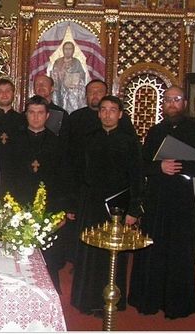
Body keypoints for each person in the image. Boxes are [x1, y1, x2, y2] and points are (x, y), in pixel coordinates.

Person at [128, 86, 195, 319]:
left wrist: (180, 166)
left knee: (179, 250)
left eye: (176, 99)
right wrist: (160, 166)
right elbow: (142, 165)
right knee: (152, 249)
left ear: (184, 103)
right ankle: (148, 300)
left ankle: (176, 304)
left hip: (181, 200)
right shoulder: (156, 131)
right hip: (156, 199)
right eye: (168, 99)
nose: (171, 103)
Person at [70, 95, 144, 316]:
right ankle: (86, 299)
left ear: (120, 114)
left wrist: (134, 209)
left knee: (111, 256)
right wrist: (74, 204)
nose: (107, 114)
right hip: (90, 204)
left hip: (116, 207)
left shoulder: (129, 141)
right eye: (103, 109)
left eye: (112, 110)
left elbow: (137, 177)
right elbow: (77, 173)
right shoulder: (88, 138)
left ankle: (110, 301)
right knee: (88, 252)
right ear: (99, 113)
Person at [9, 95, 74, 293]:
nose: (36, 117)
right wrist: (7, 206)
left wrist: (62, 211)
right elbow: (7, 175)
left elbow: (66, 178)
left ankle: (49, 294)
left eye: (40, 113)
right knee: (17, 253)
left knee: (49, 256)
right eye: (31, 112)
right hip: (19, 205)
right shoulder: (14, 141)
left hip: (49, 207)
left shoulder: (59, 143)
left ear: (47, 116)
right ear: (26, 115)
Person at [49, 41, 87, 113]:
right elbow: (54, 78)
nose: (68, 51)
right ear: (63, 50)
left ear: (73, 50)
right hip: (60, 92)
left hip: (73, 93)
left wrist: (73, 79)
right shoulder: (58, 62)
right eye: (66, 49)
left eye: (70, 49)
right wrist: (61, 75)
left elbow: (82, 77)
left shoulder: (77, 62)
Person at [33, 74, 70, 138]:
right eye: (37, 84)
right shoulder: (25, 114)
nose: (41, 86)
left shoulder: (62, 114)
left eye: (44, 84)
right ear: (34, 90)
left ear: (52, 88)